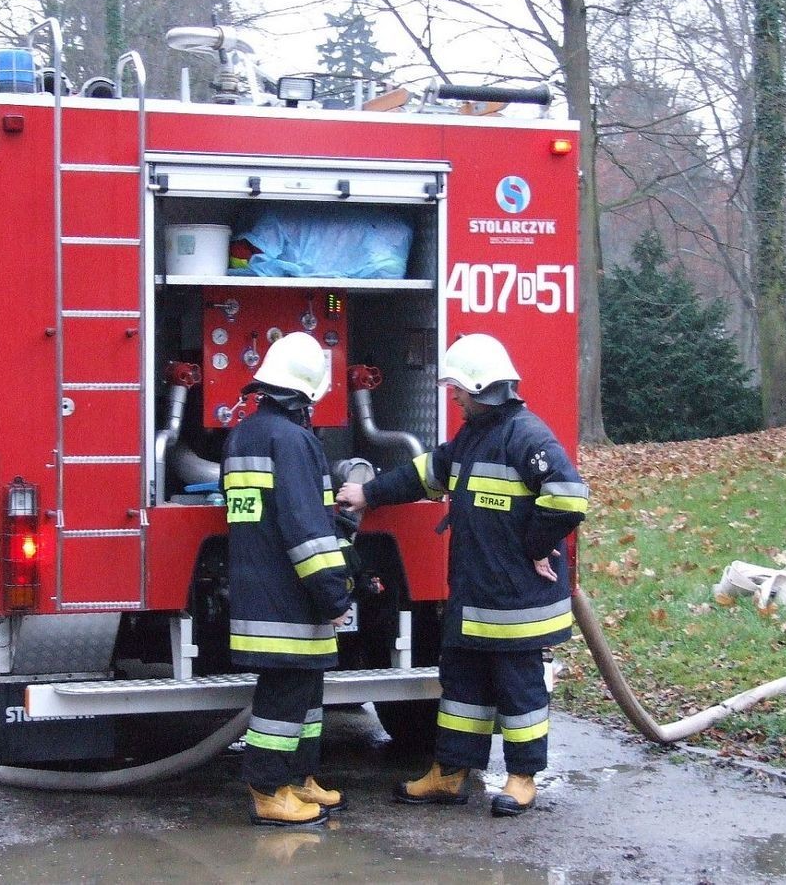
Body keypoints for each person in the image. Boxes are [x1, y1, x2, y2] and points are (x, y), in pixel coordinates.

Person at [337, 333, 588, 817]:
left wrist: (536, 546)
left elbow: (569, 498)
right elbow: (424, 474)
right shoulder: (473, 437)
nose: (453, 397)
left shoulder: (527, 437)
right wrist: (369, 493)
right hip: (474, 599)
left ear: (479, 388)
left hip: (515, 605)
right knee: (461, 693)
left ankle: (521, 779)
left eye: (458, 389)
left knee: (520, 694)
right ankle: (450, 774)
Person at [222, 331, 354, 826]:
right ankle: (269, 791)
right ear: (306, 392)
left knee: (304, 690)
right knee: (284, 695)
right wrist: (334, 595)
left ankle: (299, 778)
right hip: (291, 595)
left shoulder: (243, 436)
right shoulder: (294, 441)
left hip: (260, 587)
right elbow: (305, 531)